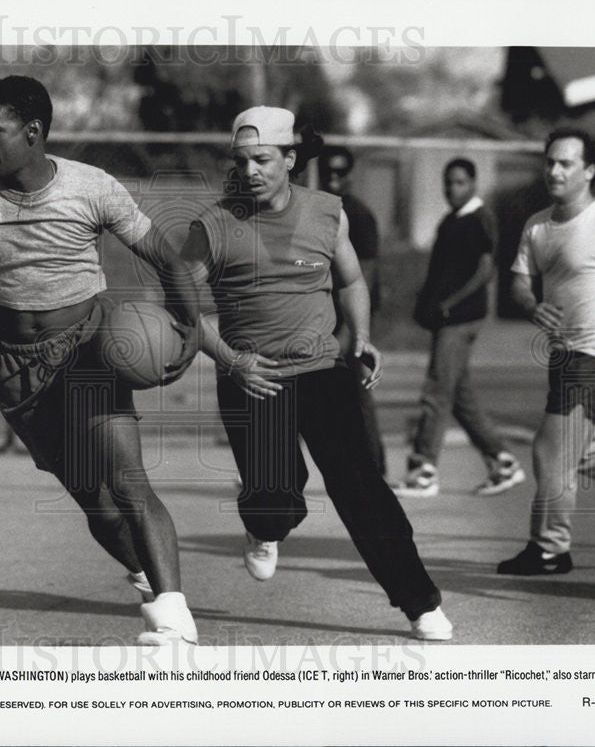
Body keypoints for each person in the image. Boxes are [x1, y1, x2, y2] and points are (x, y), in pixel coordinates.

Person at [0, 75, 202, 644]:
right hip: (13, 367)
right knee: (97, 506)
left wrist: (188, 326)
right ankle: (150, 580)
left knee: (128, 482)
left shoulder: (91, 187)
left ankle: (176, 619)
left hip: (88, 348)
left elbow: (166, 257)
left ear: (32, 132)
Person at [180, 106, 452, 640]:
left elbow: (350, 281)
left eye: (262, 159)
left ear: (291, 157)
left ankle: (420, 603)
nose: (250, 171)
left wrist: (364, 336)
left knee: (362, 488)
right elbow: (180, 300)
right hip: (250, 376)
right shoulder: (211, 225)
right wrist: (232, 360)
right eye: (241, 161)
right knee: (274, 497)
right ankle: (265, 527)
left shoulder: (329, 212)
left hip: (324, 369)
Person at [498, 127, 595, 575]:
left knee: (551, 449)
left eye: (566, 163)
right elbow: (519, 284)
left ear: (589, 171)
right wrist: (532, 306)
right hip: (566, 355)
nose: (554, 170)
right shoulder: (538, 226)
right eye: (549, 161)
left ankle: (550, 549)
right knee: (590, 454)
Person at [394, 158, 526, 498]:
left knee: (436, 391)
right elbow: (440, 272)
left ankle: (423, 470)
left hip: (461, 319)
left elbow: (486, 271)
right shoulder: (449, 221)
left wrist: (452, 303)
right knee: (459, 397)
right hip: (445, 319)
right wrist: (426, 305)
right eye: (448, 183)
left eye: (460, 183)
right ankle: (502, 461)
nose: (453, 189)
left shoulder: (481, 220)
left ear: (473, 184)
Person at [321, 148, 387, 475]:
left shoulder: (359, 216)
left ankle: (375, 468)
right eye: (327, 172)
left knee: (357, 390)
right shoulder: (318, 210)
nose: (332, 179)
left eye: (339, 172)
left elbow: (367, 280)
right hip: (324, 316)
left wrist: (354, 331)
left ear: (349, 175)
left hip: (350, 317)